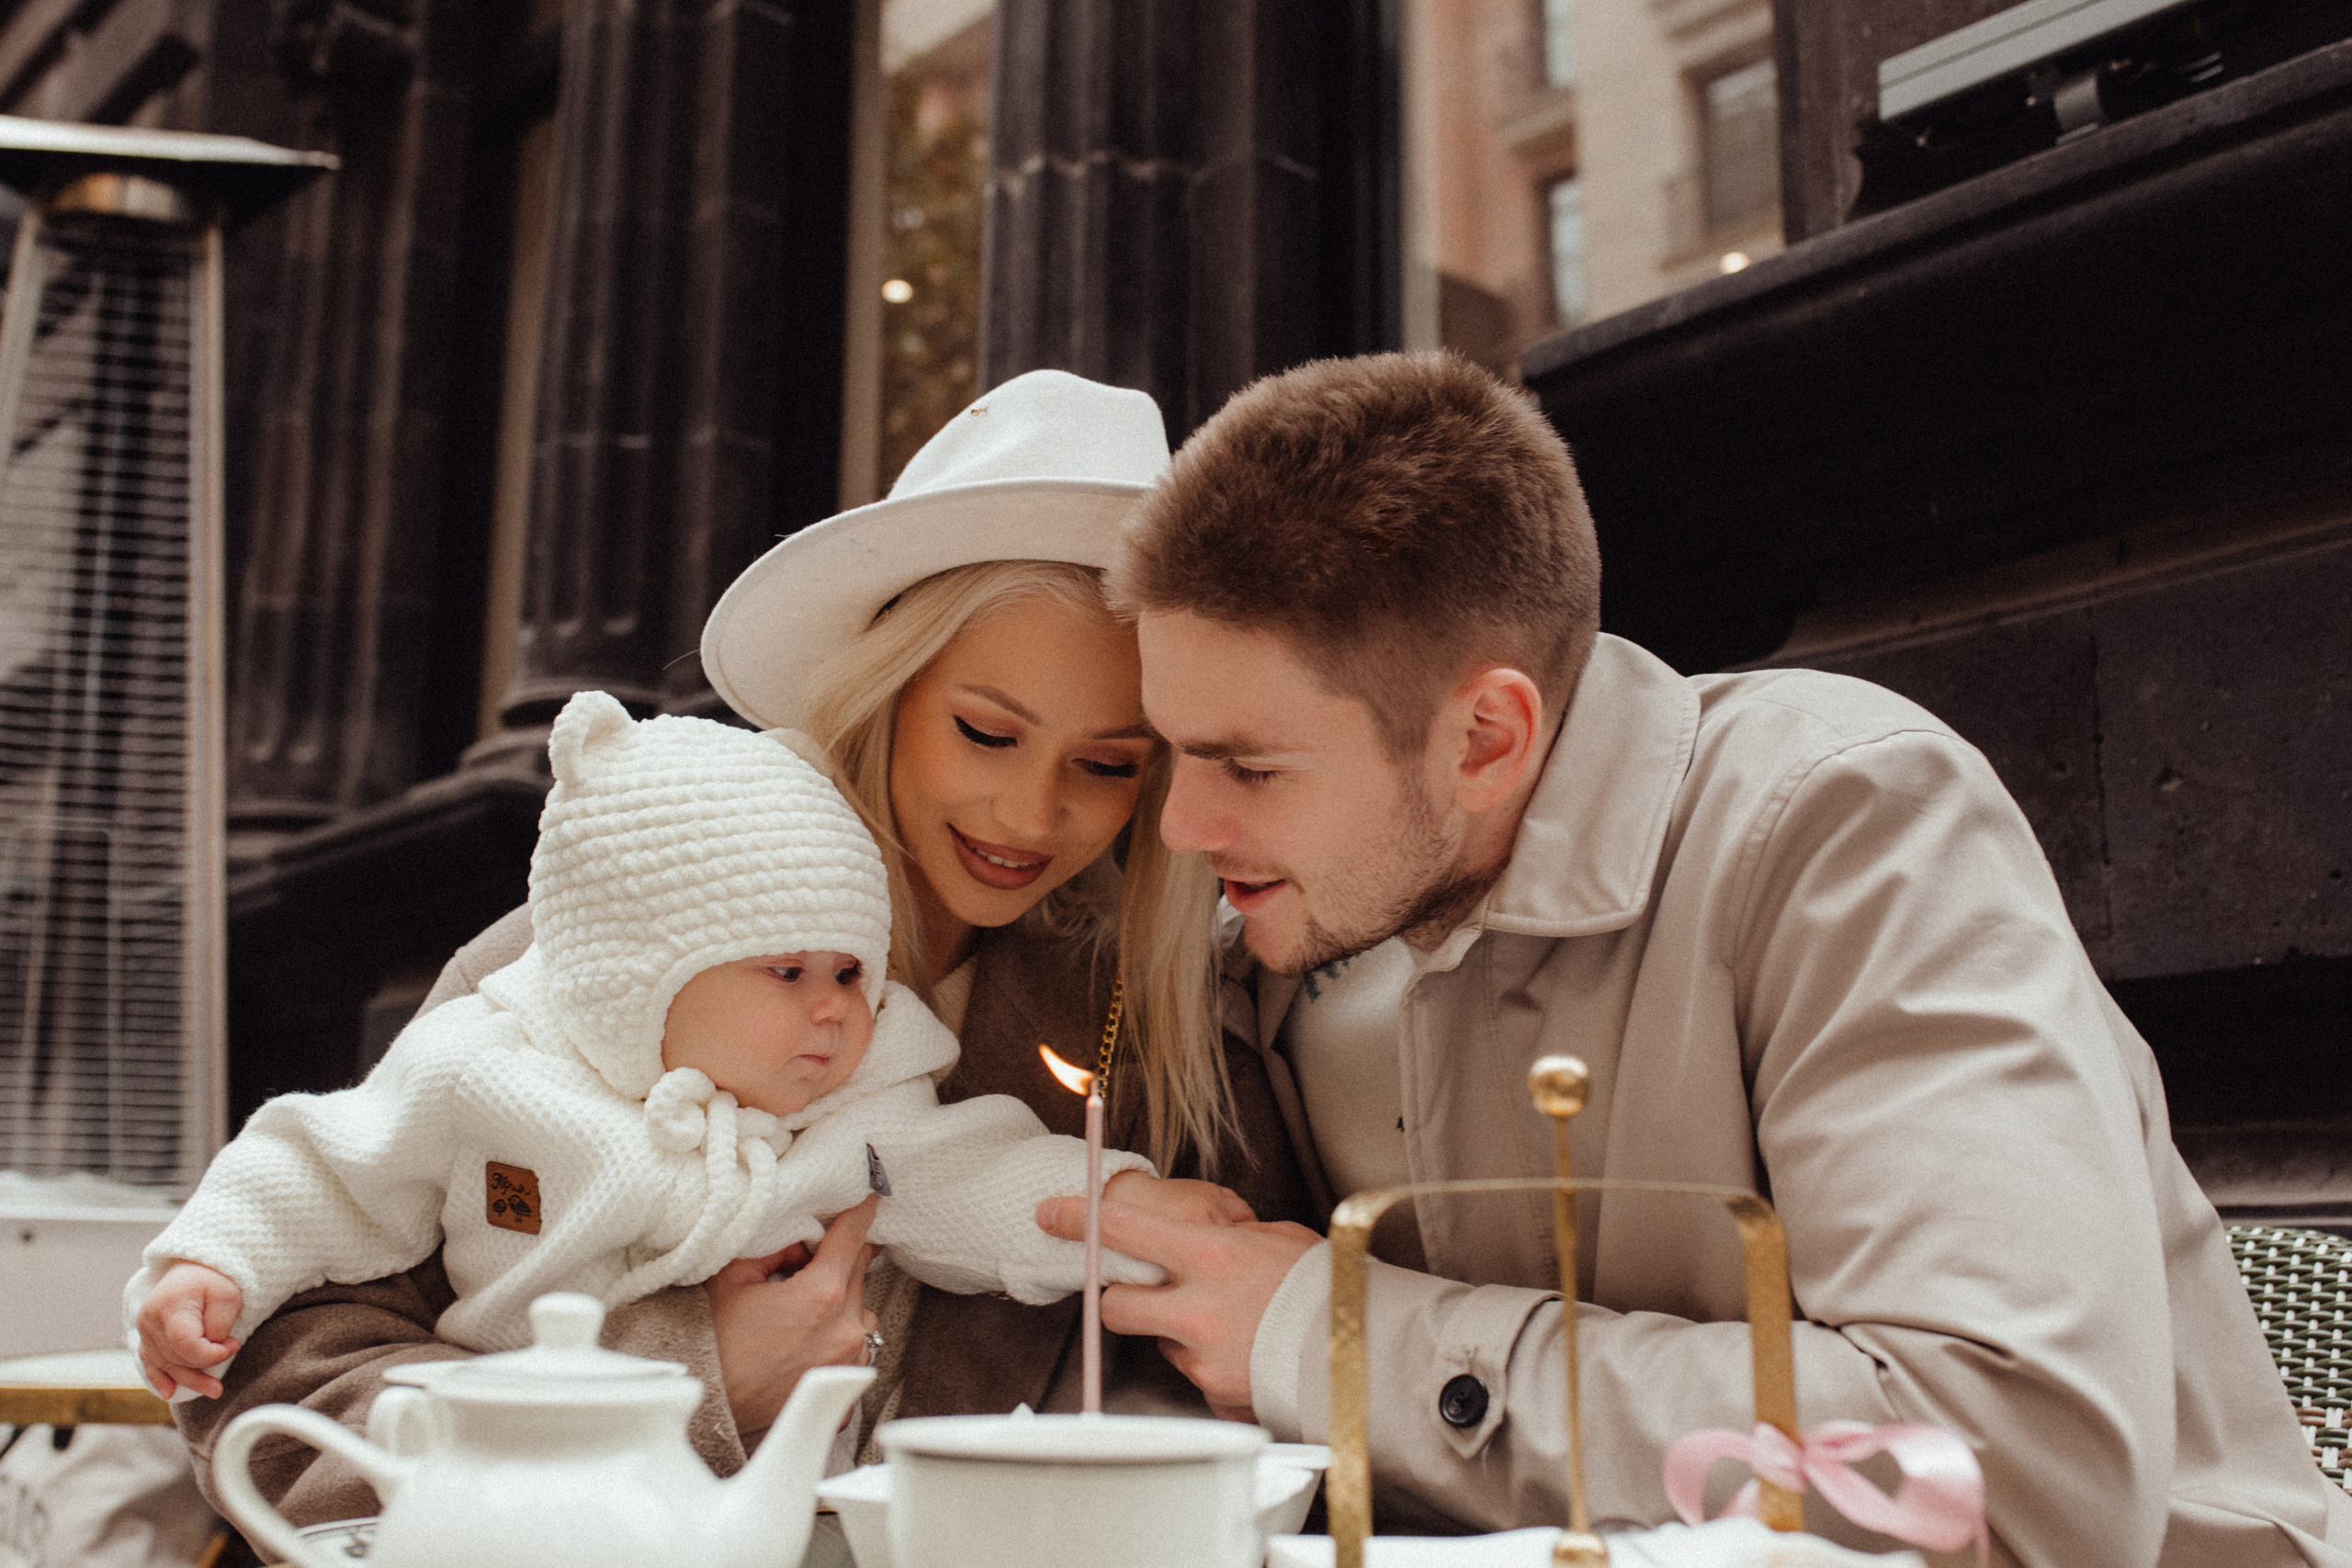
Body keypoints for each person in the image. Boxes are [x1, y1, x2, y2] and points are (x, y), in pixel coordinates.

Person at [1036, 351, 2352, 1566]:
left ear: (1487, 737)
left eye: (1248, 765)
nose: (1182, 827)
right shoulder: (1287, 923)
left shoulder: (1848, 820)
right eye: (1171, 750)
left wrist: (1331, 1340)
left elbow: (2002, 1474)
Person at [171, 369, 1311, 1527]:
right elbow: (280, 1374)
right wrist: (682, 1379)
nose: (1029, 814)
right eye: (986, 732)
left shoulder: (1167, 1031)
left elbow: (1243, 1410)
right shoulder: (575, 968)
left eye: (1107, 763)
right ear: (885, 692)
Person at [130, 691, 1163, 1402]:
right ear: (642, 978)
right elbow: (320, 1167)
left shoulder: (853, 1106)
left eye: (851, 972)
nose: (837, 1010)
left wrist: (1116, 1211)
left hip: (796, 1494)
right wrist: (209, 1264)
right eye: (787, 973)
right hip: (531, 1468)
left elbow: (968, 1177)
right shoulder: (487, 1067)